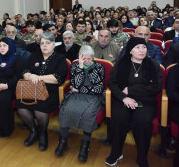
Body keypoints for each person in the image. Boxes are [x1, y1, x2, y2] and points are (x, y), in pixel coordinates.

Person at [105, 37, 162, 166]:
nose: (142, 50)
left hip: (145, 101)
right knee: (119, 118)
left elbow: (156, 88)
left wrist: (131, 90)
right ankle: (116, 152)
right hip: (123, 100)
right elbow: (112, 83)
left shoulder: (154, 65)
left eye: (144, 47)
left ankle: (142, 157)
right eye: (137, 48)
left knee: (142, 121)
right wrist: (124, 97)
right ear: (130, 51)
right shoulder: (121, 63)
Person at [17, 32, 67, 151]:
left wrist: (38, 77)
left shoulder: (60, 58)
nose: (44, 46)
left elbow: (57, 78)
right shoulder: (35, 56)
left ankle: (43, 133)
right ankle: (33, 131)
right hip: (32, 89)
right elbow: (25, 71)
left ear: (53, 45)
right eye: (42, 43)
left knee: (40, 107)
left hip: (50, 91)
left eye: (48, 43)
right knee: (21, 105)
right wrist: (29, 75)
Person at [56, 46, 104, 162]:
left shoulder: (99, 67)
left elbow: (98, 88)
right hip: (77, 96)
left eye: (89, 58)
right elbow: (75, 85)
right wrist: (81, 67)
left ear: (93, 57)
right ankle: (63, 141)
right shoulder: (75, 66)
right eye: (84, 58)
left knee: (88, 114)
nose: (87, 60)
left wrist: (80, 89)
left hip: (94, 97)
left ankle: (85, 145)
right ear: (80, 57)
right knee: (66, 109)